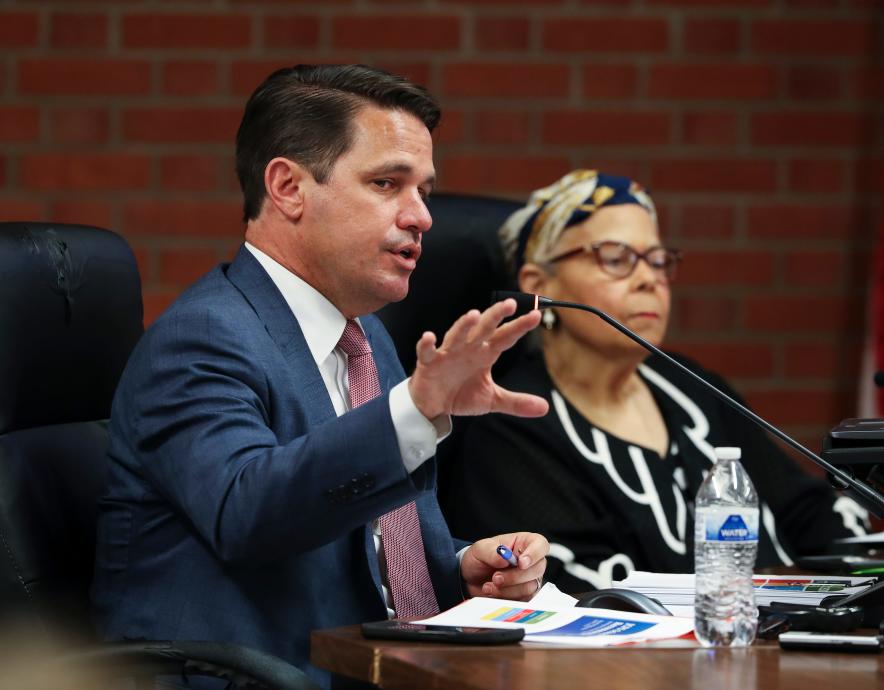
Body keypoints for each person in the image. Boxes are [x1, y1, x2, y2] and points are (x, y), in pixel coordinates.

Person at [91, 64, 550, 687]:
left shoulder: (366, 339)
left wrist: (459, 567)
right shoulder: (202, 340)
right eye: (388, 183)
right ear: (287, 187)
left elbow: (359, 537)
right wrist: (414, 412)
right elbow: (248, 514)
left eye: (425, 191)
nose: (422, 217)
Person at [443, 169, 869, 593]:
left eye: (658, 260)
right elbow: (570, 586)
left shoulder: (691, 387)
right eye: (615, 258)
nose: (649, 279)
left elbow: (806, 511)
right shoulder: (509, 419)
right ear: (539, 285)